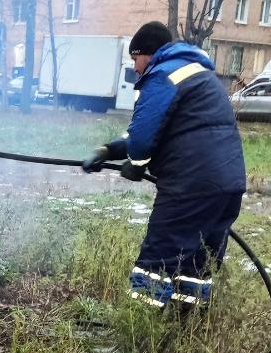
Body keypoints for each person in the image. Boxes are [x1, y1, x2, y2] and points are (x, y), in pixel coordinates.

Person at [81, 21, 246, 312]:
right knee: (196, 263)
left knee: (158, 258)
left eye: (135, 58)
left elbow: (144, 136)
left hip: (190, 186)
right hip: (228, 185)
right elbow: (158, 129)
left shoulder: (162, 74)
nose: (135, 67)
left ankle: (139, 331)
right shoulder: (197, 73)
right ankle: (183, 332)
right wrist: (108, 150)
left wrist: (136, 161)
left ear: (148, 53)